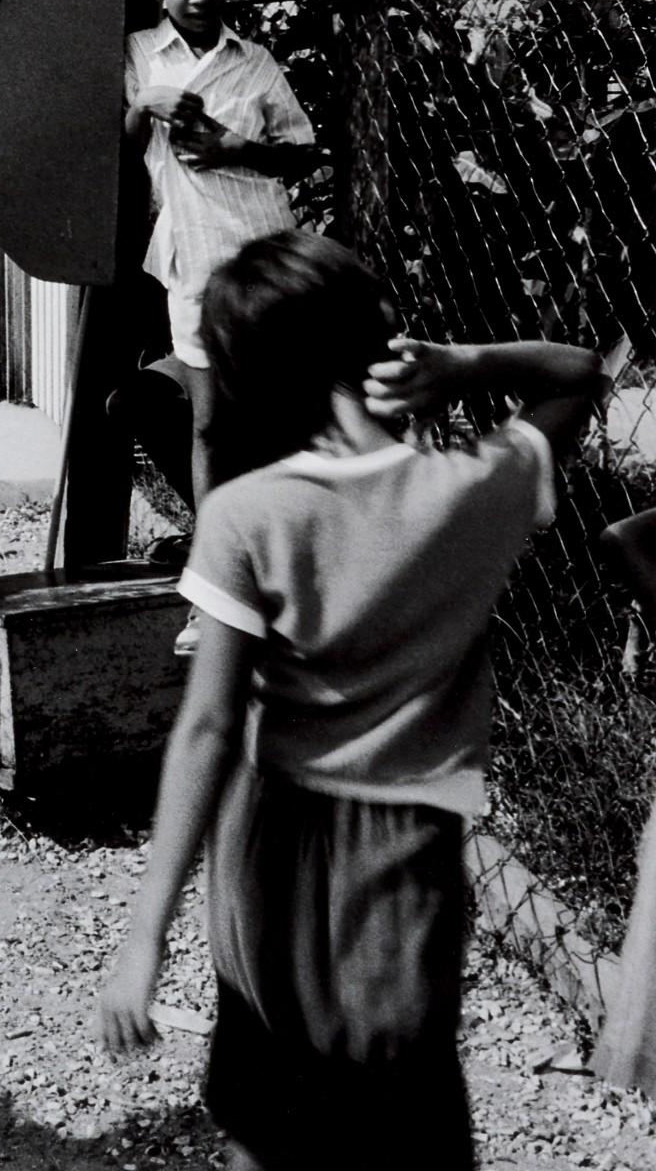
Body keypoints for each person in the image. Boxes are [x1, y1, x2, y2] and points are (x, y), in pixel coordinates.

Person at [98, 230, 606, 1171]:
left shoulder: (248, 516)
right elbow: (579, 374)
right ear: (384, 338)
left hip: (269, 846)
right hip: (407, 853)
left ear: (248, 381)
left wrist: (144, 936)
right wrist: (463, 366)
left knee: (268, 1112)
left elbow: (207, 727)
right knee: (402, 1106)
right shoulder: (473, 490)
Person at [123, 0, 317, 648]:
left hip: (264, 261)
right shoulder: (140, 54)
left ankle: (284, 579)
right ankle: (215, 590)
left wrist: (241, 148)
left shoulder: (254, 62)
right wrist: (148, 105)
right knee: (208, 425)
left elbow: (302, 152)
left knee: (272, 420)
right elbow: (110, 146)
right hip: (195, 264)